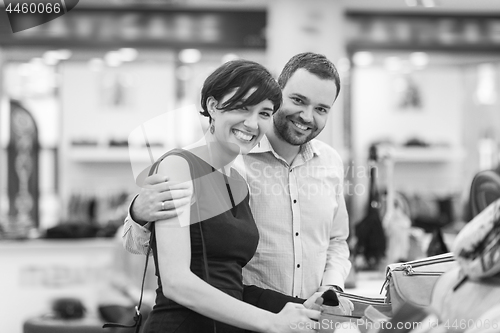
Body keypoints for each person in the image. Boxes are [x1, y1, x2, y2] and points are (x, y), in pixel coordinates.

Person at [124, 52, 351, 301]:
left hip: (306, 320)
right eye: (298, 100)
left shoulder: (331, 163)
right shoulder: (227, 158)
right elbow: (139, 245)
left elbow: (337, 240)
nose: (307, 116)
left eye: (320, 109)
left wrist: (332, 286)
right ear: (278, 93)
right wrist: (139, 213)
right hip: (238, 317)